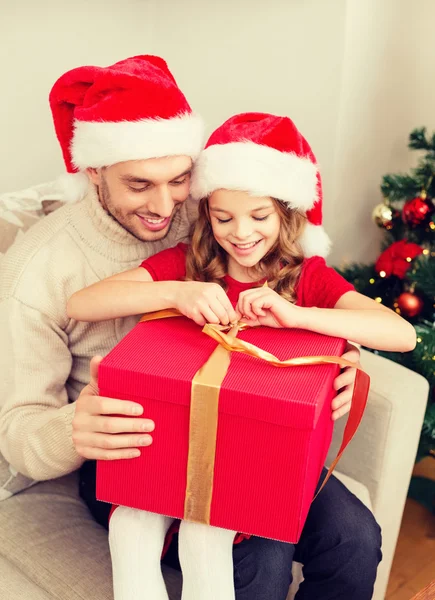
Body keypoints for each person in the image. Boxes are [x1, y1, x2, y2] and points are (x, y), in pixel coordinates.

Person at [0, 57, 361, 600]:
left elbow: (293, 281)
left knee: (353, 539)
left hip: (245, 421)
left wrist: (340, 357)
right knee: (258, 552)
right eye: (139, 184)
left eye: (179, 179)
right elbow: (18, 433)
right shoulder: (37, 270)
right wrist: (74, 427)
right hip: (133, 450)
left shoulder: (216, 215)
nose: (165, 205)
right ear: (93, 170)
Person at [68, 112, 416, 599]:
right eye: (223, 217)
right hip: (179, 443)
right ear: (207, 213)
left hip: (269, 446)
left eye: (259, 216)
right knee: (249, 555)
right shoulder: (186, 264)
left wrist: (302, 320)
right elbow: (81, 303)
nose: (241, 233)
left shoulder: (307, 277)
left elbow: (401, 335)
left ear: (286, 214)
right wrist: (176, 293)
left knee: (354, 536)